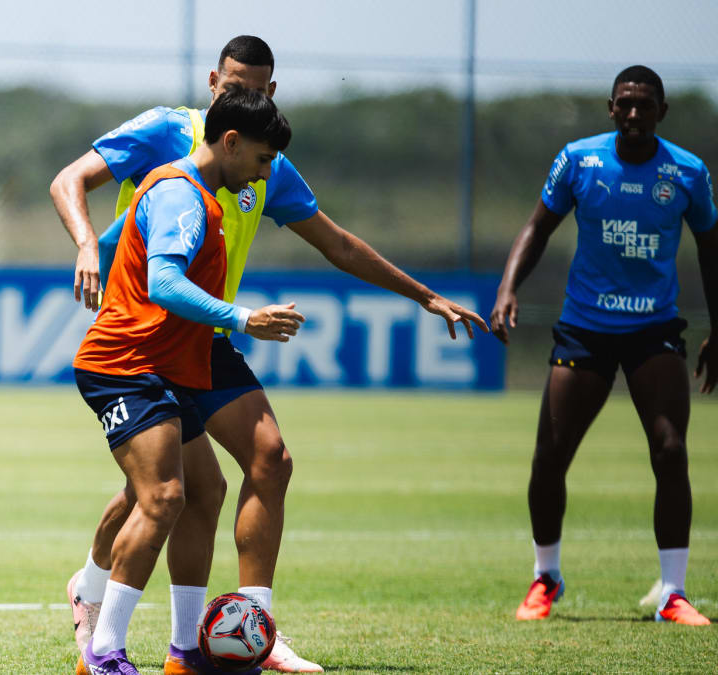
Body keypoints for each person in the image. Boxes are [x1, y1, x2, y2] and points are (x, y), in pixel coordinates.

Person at [51, 35, 487, 674]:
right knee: (160, 492)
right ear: (213, 86)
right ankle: (101, 630)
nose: (244, 98)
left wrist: (425, 296)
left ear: (270, 92)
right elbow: (79, 191)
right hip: (143, 341)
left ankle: (223, 637)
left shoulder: (261, 162)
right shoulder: (172, 151)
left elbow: (337, 243)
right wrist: (95, 254)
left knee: (243, 469)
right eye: (234, 87)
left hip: (199, 342)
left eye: (254, 89)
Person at [74, 86, 304, 675]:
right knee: (163, 498)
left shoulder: (198, 193)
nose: (264, 173)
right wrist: (242, 317)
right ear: (229, 142)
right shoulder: (182, 195)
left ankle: (186, 651)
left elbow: (139, 261)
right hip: (125, 363)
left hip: (166, 366)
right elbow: (165, 285)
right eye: (260, 159)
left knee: (205, 492)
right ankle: (102, 653)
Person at [493, 65, 715, 626]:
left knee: (670, 450)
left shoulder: (687, 172)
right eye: (626, 104)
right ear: (611, 109)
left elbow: (711, 248)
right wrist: (507, 288)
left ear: (662, 112)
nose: (635, 113)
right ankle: (546, 577)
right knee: (550, 456)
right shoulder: (579, 160)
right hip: (585, 327)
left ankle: (673, 592)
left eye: (646, 105)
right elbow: (537, 226)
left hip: (654, 328)